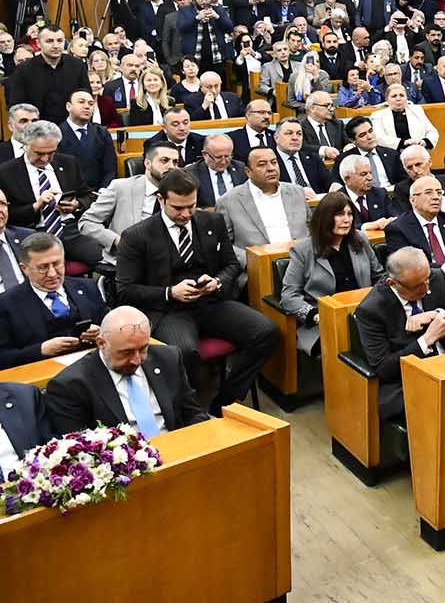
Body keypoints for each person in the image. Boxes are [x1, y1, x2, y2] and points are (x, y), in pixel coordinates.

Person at [113, 168, 278, 411]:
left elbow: (231, 265)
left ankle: (226, 401)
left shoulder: (211, 221)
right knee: (183, 352)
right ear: (161, 200)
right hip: (169, 310)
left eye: (191, 206)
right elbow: (125, 290)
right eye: (178, 208)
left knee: (267, 332)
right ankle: (187, 410)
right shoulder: (137, 236)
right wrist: (170, 292)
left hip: (210, 302)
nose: (186, 214)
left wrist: (218, 281)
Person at [353, 246, 445, 420]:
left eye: (427, 280)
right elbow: (384, 368)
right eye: (417, 286)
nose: (427, 289)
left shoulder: (437, 279)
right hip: (410, 381)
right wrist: (426, 340)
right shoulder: (371, 310)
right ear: (393, 283)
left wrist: (438, 314)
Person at [45, 305, 211, 435]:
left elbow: (193, 412)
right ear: (101, 343)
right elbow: (79, 451)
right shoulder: (71, 386)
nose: (137, 360)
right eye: (126, 352)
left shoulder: (168, 358)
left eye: (143, 349)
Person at [280, 192, 384, 355]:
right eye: (339, 214)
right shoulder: (303, 250)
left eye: (350, 214)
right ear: (325, 218)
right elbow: (288, 296)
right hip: (325, 323)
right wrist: (315, 315)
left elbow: (379, 277)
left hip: (365, 313)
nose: (347, 219)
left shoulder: (360, 240)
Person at [0, 119, 104, 266]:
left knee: (106, 261)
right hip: (32, 234)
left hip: (70, 230)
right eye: (39, 153)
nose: (45, 159)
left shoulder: (68, 163)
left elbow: (88, 195)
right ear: (25, 146)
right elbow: (7, 215)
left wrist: (76, 205)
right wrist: (36, 206)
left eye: (51, 153)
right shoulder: (6, 172)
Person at [0, 231, 108, 368]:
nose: (52, 274)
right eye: (42, 268)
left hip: (92, 369)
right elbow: (2, 357)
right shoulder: (6, 304)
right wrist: (41, 350)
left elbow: (112, 328)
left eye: (57, 264)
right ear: (24, 269)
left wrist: (102, 333)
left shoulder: (88, 288)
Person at [79, 142, 182, 268]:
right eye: (164, 161)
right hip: (129, 262)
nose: (171, 167)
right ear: (147, 164)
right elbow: (87, 222)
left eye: (175, 162)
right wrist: (117, 240)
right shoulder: (121, 187)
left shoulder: (180, 192)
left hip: (168, 261)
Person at [216, 146, 312, 268]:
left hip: (303, 263)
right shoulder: (228, 201)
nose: (271, 168)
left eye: (274, 162)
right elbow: (225, 245)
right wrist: (253, 261)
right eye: (262, 164)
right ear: (248, 172)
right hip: (259, 269)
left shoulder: (297, 192)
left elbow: (312, 230)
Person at [383, 174, 445, 275]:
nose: (436, 197)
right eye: (429, 193)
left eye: (439, 193)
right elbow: (406, 266)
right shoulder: (397, 228)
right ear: (413, 200)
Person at [5, 24, 90, 125]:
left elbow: (86, 97)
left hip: (72, 128)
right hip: (36, 129)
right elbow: (17, 105)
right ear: (38, 43)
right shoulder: (24, 70)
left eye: (59, 41)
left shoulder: (77, 66)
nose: (55, 46)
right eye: (49, 41)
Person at [56, 88, 116, 191]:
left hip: (99, 194)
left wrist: (103, 192)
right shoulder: (56, 134)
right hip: (69, 194)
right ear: (68, 106)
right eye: (81, 102)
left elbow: (110, 169)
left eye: (91, 104)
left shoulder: (102, 133)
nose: (87, 106)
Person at [335, 153, 396, 230]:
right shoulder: (336, 201)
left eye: (370, 173)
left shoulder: (380, 194)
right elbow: (337, 226)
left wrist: (391, 221)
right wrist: (366, 226)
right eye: (363, 174)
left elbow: (395, 217)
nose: (370, 178)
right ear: (348, 179)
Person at [370, 83, 438, 151]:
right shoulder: (378, 115)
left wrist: (424, 142)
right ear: (387, 99)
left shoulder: (417, 110)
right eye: (394, 96)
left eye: (402, 95)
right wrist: (403, 143)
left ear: (406, 97)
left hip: (418, 150)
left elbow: (432, 132)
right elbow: (379, 138)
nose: (398, 99)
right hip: (392, 154)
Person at [186, 134, 246, 208]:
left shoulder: (242, 169)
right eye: (218, 157)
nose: (223, 162)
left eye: (227, 156)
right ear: (205, 154)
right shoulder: (191, 174)